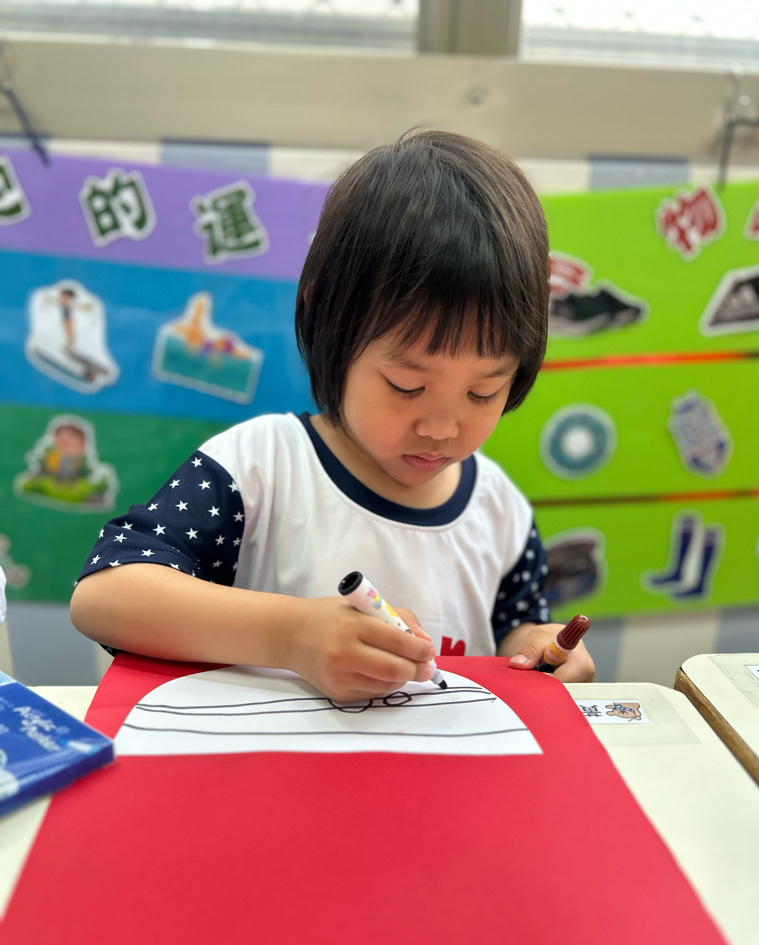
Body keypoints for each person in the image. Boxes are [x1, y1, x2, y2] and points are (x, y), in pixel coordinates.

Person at [70, 129, 595, 699]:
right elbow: (104, 596)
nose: (441, 429)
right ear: (328, 319)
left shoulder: (500, 511)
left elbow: (515, 633)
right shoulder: (261, 467)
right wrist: (291, 635)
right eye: (406, 385)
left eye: (483, 392)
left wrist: (540, 646)